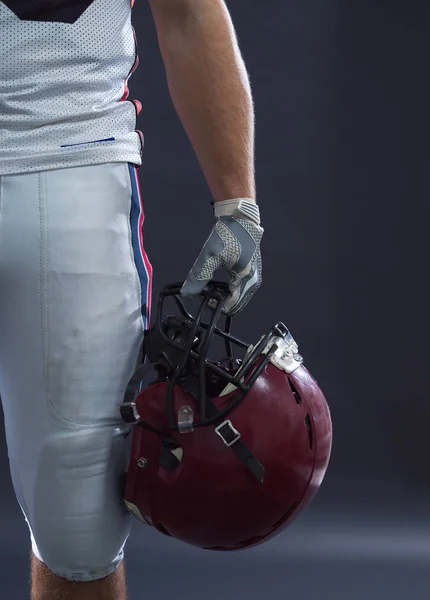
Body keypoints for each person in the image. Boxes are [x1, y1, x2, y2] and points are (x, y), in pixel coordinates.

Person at [0, 0, 263, 598]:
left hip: (65, 162)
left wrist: (236, 202)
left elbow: (188, 12)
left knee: (79, 531)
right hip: (68, 173)